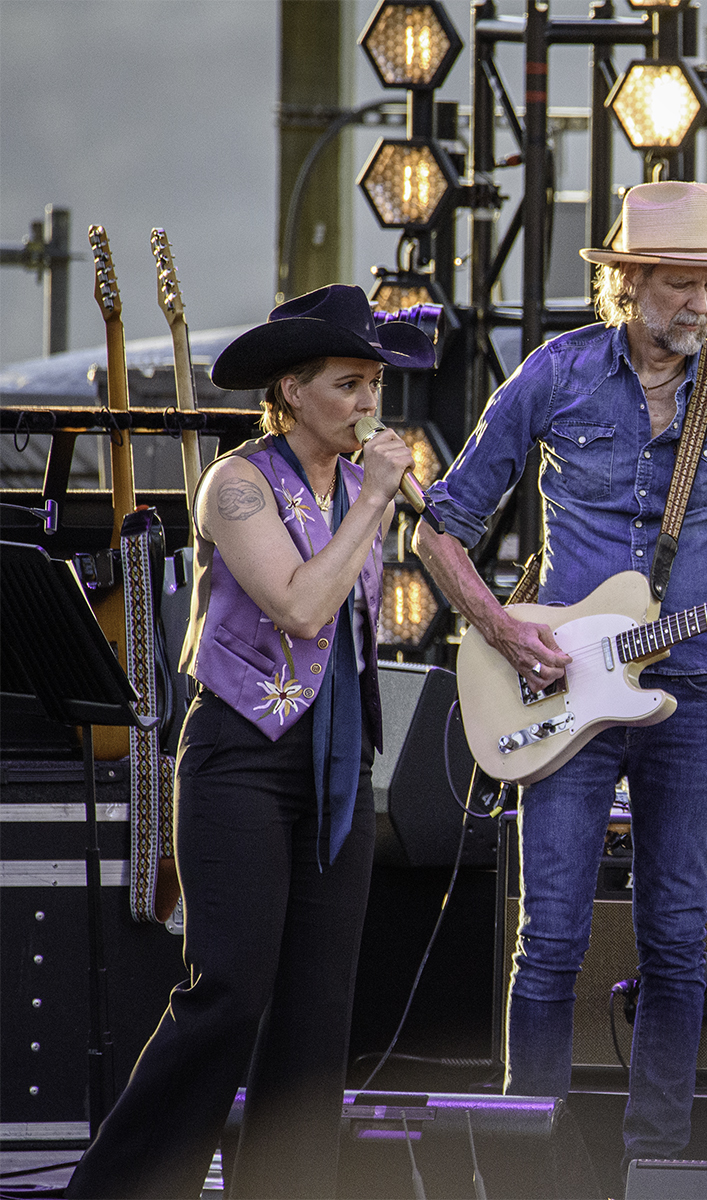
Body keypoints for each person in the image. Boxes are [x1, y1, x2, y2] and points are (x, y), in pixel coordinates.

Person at [411, 181, 707, 1167]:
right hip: (553, 685)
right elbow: (439, 529)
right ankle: (521, 1160)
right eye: (679, 285)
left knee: (677, 937)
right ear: (628, 282)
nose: (697, 305)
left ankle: (658, 1168)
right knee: (549, 934)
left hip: (697, 690)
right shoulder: (555, 376)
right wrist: (505, 632)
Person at [64, 286, 429, 1198]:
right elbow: (303, 607)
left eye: (374, 386)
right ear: (292, 389)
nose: (367, 406)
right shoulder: (235, 482)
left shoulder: (357, 486)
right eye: (348, 385)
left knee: (317, 1018)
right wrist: (375, 499)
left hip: (339, 754)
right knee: (229, 989)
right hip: (240, 755)